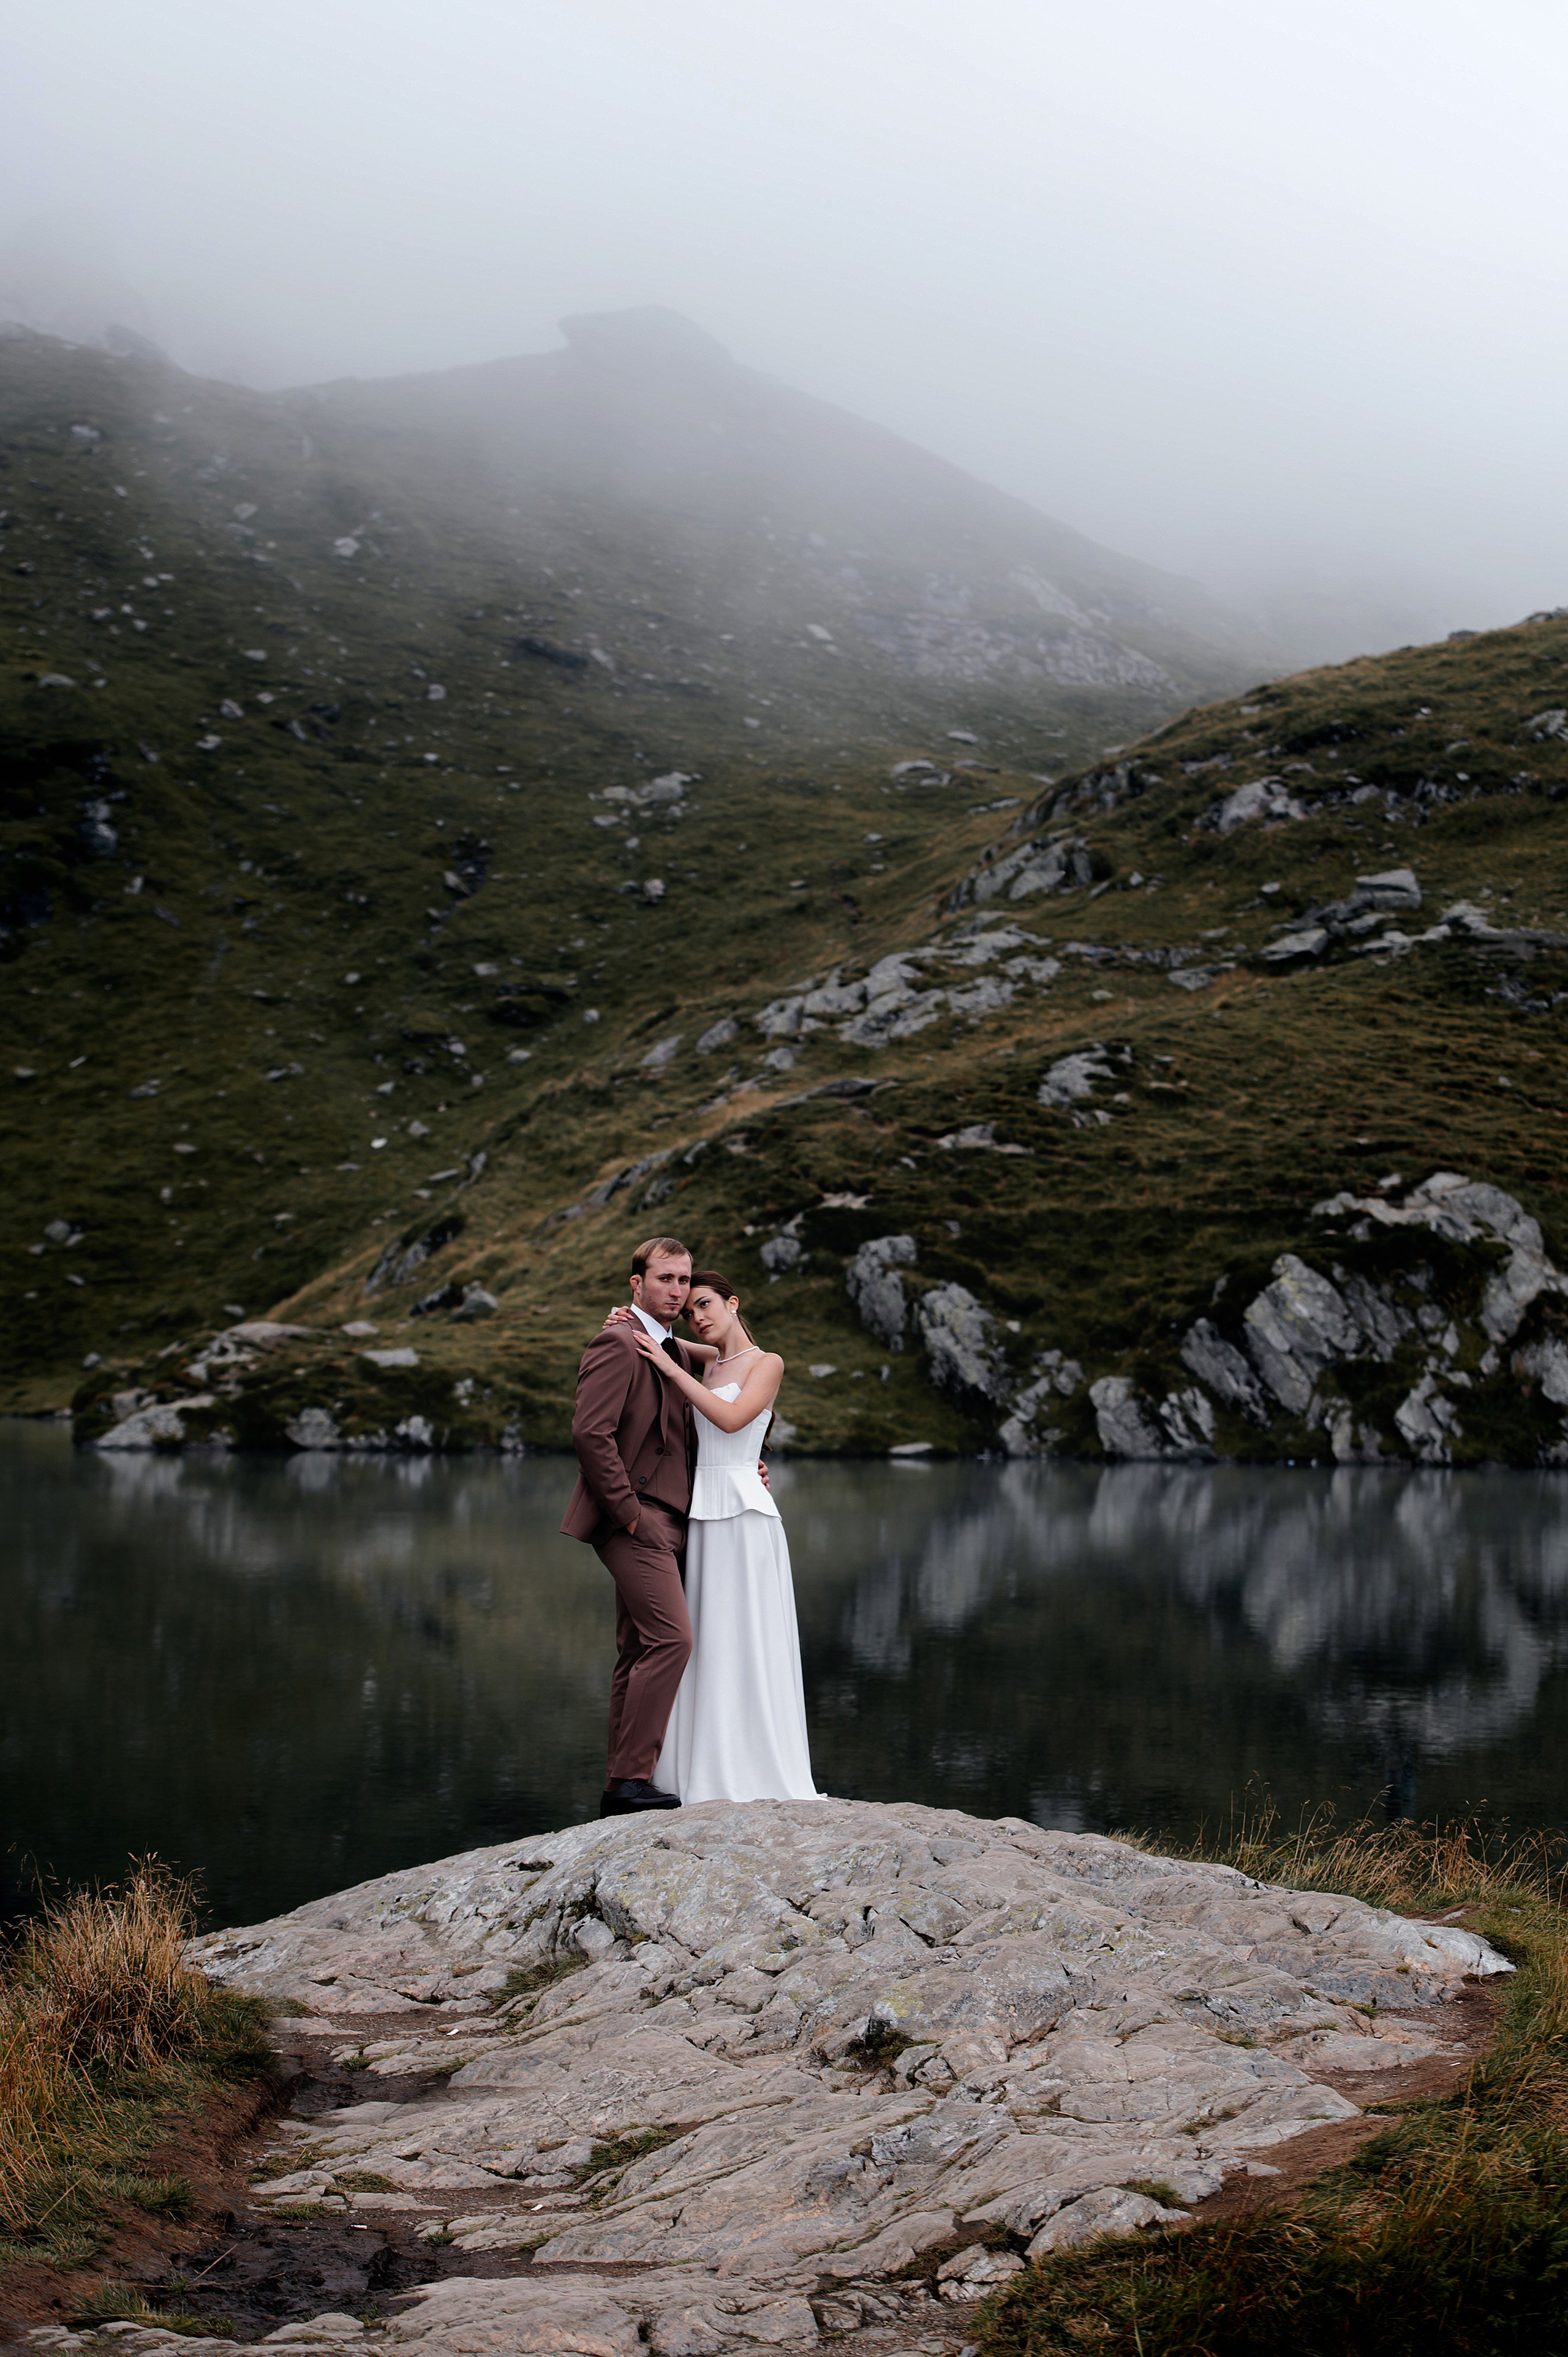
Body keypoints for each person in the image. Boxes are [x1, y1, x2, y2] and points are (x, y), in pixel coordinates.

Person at [632, 1269, 816, 1806]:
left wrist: (669, 1367)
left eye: (707, 1304)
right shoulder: (708, 1361)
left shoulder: (767, 1362)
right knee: (706, 1640)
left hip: (743, 1514)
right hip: (700, 1512)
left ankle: (753, 1770)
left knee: (747, 1638)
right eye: (691, 1312)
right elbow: (657, 1336)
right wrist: (631, 1322)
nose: (699, 1318)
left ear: (734, 1303)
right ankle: (699, 1768)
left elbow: (735, 1420)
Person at [559, 1237, 701, 1817]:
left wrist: (752, 1463)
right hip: (633, 1519)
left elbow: (731, 1373)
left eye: (685, 1281)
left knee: (637, 1647)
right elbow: (590, 1435)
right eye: (665, 1279)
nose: (677, 1290)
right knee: (673, 1640)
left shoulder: (673, 1350)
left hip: (671, 1518)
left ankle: (623, 1781)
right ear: (636, 1283)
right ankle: (630, 1783)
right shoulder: (616, 1342)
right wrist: (631, 1516)